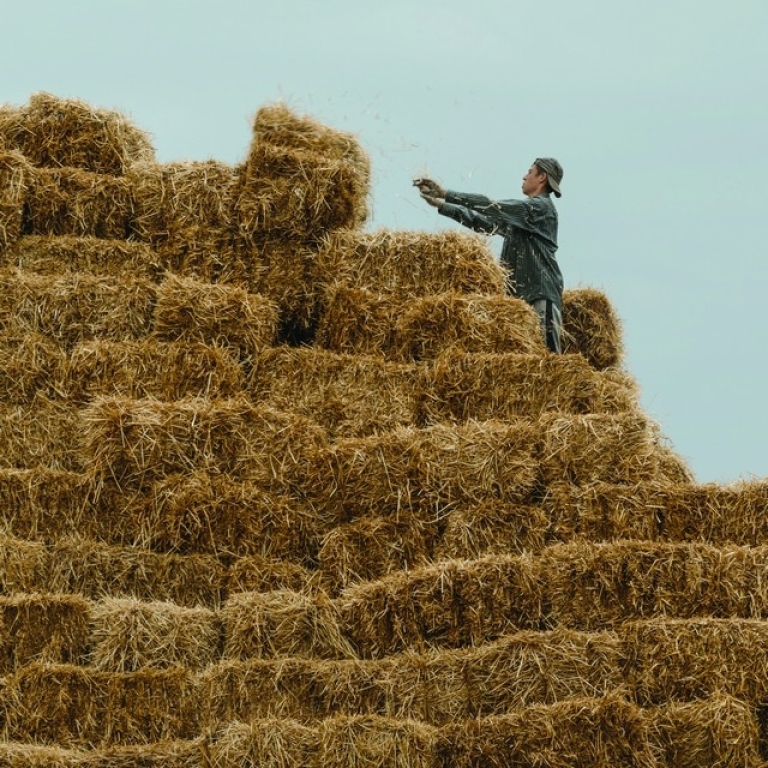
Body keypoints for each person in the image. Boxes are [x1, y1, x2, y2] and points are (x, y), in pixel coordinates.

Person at [414, 158, 564, 353]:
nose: (524, 176)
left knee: (549, 360)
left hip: (541, 295)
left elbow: (492, 206)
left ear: (542, 177)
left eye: (529, 172)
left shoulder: (539, 208)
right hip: (521, 300)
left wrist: (446, 194)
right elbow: (480, 221)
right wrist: (440, 205)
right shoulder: (521, 219)